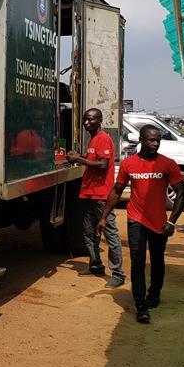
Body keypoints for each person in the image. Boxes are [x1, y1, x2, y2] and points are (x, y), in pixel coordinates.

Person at [98, 125, 184, 324]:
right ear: (141, 140)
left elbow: (181, 193)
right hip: (136, 220)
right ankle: (141, 306)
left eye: (158, 140)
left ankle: (154, 294)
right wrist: (104, 217)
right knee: (137, 263)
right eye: (151, 140)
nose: (155, 144)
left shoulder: (168, 164)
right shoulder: (129, 164)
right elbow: (116, 191)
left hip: (159, 223)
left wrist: (172, 221)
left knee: (157, 261)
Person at [67, 108, 125, 287]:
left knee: (110, 233)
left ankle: (118, 273)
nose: (86, 123)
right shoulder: (93, 139)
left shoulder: (104, 139)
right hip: (89, 193)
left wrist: (80, 159)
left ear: (100, 121)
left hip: (101, 195)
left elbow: (102, 164)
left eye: (90, 120)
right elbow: (94, 161)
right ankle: (95, 265)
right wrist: (77, 158)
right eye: (85, 120)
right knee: (89, 232)